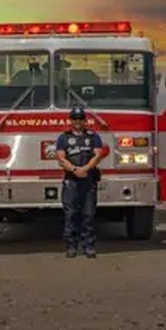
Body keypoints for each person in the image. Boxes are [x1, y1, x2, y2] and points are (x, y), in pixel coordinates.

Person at [55, 106, 105, 258]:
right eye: (75, 119)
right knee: (71, 215)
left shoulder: (93, 137)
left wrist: (85, 169)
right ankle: (71, 246)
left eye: (80, 119)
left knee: (88, 215)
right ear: (70, 121)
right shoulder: (63, 138)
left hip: (88, 181)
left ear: (85, 121)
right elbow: (61, 158)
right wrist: (75, 170)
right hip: (71, 182)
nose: (78, 122)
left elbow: (98, 155)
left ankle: (89, 246)